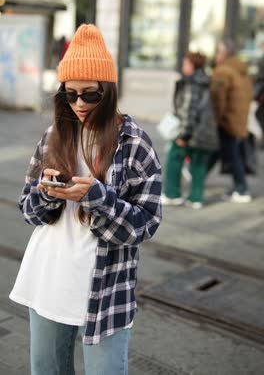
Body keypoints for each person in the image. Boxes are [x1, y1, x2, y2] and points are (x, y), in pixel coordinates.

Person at [9, 24, 162, 375]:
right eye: (70, 94)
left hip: (106, 285)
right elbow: (28, 210)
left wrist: (98, 198)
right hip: (48, 275)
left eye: (90, 94)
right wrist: (45, 193)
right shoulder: (54, 136)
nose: (79, 104)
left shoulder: (134, 142)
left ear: (107, 91)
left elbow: (146, 223)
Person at [161, 51, 218, 209]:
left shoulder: (191, 83)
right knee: (198, 166)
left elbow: (189, 112)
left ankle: (173, 194)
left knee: (174, 157)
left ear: (193, 66)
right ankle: (196, 198)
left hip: (193, 133)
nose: (183, 66)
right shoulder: (204, 81)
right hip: (206, 133)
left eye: (185, 63)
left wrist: (183, 135)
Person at [209, 38, 253, 202]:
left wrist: (217, 119)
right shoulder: (242, 69)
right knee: (223, 151)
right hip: (239, 119)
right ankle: (196, 177)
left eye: (218, 52)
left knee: (231, 155)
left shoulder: (223, 71)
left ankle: (242, 189)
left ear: (224, 53)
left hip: (228, 121)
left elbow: (218, 99)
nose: (217, 55)